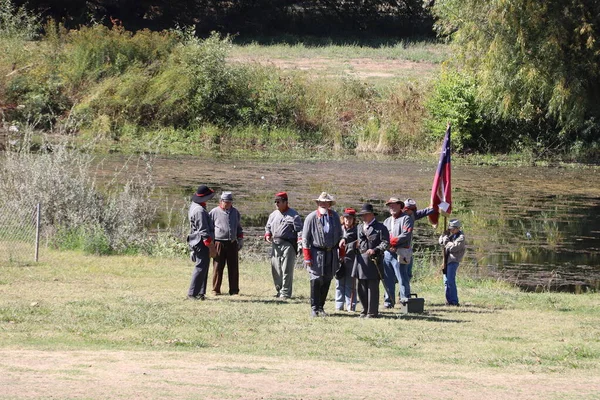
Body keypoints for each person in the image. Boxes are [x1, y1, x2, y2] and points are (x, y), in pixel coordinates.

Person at [302, 192, 343, 317]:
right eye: (321, 202)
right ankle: (314, 308)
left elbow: (341, 235)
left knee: (327, 279)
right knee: (316, 279)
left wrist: (341, 252)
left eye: (326, 202)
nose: (324, 204)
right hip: (316, 253)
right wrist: (307, 257)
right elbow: (305, 238)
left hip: (331, 253)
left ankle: (321, 307)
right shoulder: (311, 217)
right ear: (318, 203)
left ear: (329, 204)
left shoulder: (335, 216)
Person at [352, 204, 389, 318]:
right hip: (360, 260)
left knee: (372, 288)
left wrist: (375, 250)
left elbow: (385, 243)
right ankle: (364, 310)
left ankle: (372, 312)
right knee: (361, 287)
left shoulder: (380, 227)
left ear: (372, 214)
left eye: (365, 215)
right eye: (362, 215)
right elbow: (352, 239)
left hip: (374, 260)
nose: (363, 217)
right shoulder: (359, 227)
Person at [264, 191, 304, 299]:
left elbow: (300, 231)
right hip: (275, 244)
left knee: (286, 270)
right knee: (276, 269)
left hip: (288, 244)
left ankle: (285, 293)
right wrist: (268, 234)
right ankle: (279, 291)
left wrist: (300, 244)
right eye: (275, 202)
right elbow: (268, 227)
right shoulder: (273, 215)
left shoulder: (294, 215)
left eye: (279, 202)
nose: (276, 204)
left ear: (285, 202)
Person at [209, 192, 244, 296]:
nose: (228, 204)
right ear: (221, 201)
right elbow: (210, 228)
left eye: (230, 202)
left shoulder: (235, 212)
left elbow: (238, 227)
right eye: (226, 202)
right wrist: (211, 242)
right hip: (219, 243)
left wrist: (240, 239)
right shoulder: (214, 212)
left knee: (233, 267)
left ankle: (234, 290)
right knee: (217, 266)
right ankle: (215, 289)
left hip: (232, 243)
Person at [187, 185, 216, 300]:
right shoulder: (199, 210)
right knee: (200, 267)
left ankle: (200, 293)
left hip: (198, 240)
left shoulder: (195, 206)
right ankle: (192, 294)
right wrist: (210, 244)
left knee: (203, 267)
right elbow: (203, 230)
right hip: (201, 242)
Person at [382, 197, 410, 308]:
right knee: (388, 279)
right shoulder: (386, 221)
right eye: (390, 205)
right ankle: (389, 302)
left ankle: (405, 303)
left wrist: (393, 244)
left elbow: (406, 234)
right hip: (388, 253)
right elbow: (383, 236)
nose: (392, 207)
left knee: (402, 279)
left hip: (401, 253)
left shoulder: (406, 218)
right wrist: (389, 246)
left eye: (394, 204)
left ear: (400, 205)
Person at [403, 198, 435, 280]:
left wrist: (439, 206)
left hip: (408, 247)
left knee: (408, 273)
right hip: (398, 247)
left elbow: (425, 212)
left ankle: (404, 292)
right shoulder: (399, 217)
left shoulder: (413, 215)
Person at [335, 208, 358, 312]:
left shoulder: (357, 230)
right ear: (343, 219)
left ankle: (351, 306)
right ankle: (339, 306)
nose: (348, 220)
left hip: (351, 260)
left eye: (350, 218)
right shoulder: (338, 229)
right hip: (338, 260)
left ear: (354, 219)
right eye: (346, 218)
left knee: (350, 284)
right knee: (339, 283)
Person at [439, 219, 466, 306]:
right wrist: (443, 235)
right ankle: (448, 300)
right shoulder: (451, 236)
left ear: (458, 228)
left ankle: (454, 301)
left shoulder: (461, 238)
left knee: (450, 281)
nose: (451, 230)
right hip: (446, 260)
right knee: (446, 282)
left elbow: (453, 248)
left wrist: (446, 239)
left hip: (453, 261)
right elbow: (441, 242)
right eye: (450, 229)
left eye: (453, 229)